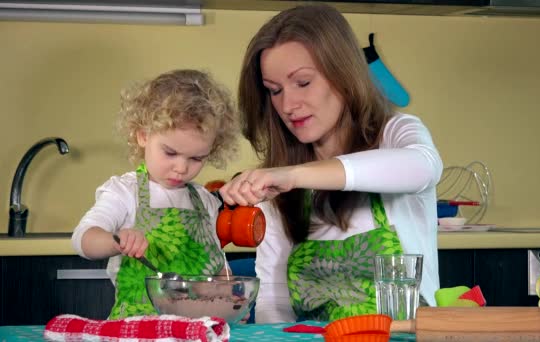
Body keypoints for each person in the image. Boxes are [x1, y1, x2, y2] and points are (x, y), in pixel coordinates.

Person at [219, 4, 443, 323]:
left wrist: (295, 176)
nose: (288, 105)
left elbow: (423, 166)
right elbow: (275, 303)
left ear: (342, 73)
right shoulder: (280, 185)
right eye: (275, 91)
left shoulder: (396, 133)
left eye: (303, 82)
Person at [71, 69, 239, 319]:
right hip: (138, 327)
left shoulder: (204, 200)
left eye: (196, 158)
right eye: (170, 153)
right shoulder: (125, 192)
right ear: (143, 135)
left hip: (197, 328)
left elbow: (217, 266)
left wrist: (229, 297)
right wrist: (115, 240)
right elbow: (82, 239)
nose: (181, 168)